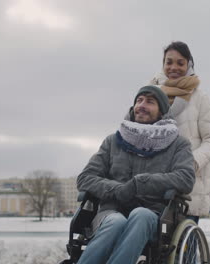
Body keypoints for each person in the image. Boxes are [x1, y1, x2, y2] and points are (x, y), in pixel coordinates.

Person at [76, 85, 195, 264]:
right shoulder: (113, 141)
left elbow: (185, 178)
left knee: (141, 214)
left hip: (154, 215)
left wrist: (142, 182)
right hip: (111, 211)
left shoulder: (178, 144)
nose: (142, 105)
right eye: (139, 100)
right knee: (116, 222)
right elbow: (85, 178)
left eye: (150, 101)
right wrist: (117, 189)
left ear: (162, 110)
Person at [149, 41, 210, 221]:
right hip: (152, 182)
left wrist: (191, 163)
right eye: (169, 62)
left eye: (180, 63)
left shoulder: (200, 98)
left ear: (188, 64)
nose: (173, 67)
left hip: (187, 186)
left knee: (183, 246)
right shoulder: (149, 94)